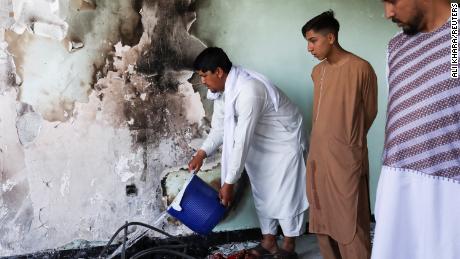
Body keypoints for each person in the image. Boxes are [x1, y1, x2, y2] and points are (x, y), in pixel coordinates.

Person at [188, 47, 308, 258]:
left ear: (218, 72)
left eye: (204, 76)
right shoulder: (224, 92)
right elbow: (219, 129)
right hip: (260, 146)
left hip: (284, 145)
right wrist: (201, 153)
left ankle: (289, 247)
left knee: (286, 196)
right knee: (263, 193)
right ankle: (269, 242)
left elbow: (242, 140)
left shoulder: (249, 90)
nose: (203, 82)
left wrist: (229, 181)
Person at [372, 1, 460, 258]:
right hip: (396, 187)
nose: (387, 13)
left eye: (392, 1)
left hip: (448, 191)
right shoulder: (395, 47)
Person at [301, 10, 378, 259]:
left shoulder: (361, 68)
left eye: (313, 41)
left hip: (346, 159)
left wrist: (347, 143)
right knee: (323, 221)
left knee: (350, 223)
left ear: (331, 38)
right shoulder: (317, 73)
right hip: (318, 159)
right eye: (307, 42)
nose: (309, 48)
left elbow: (369, 112)